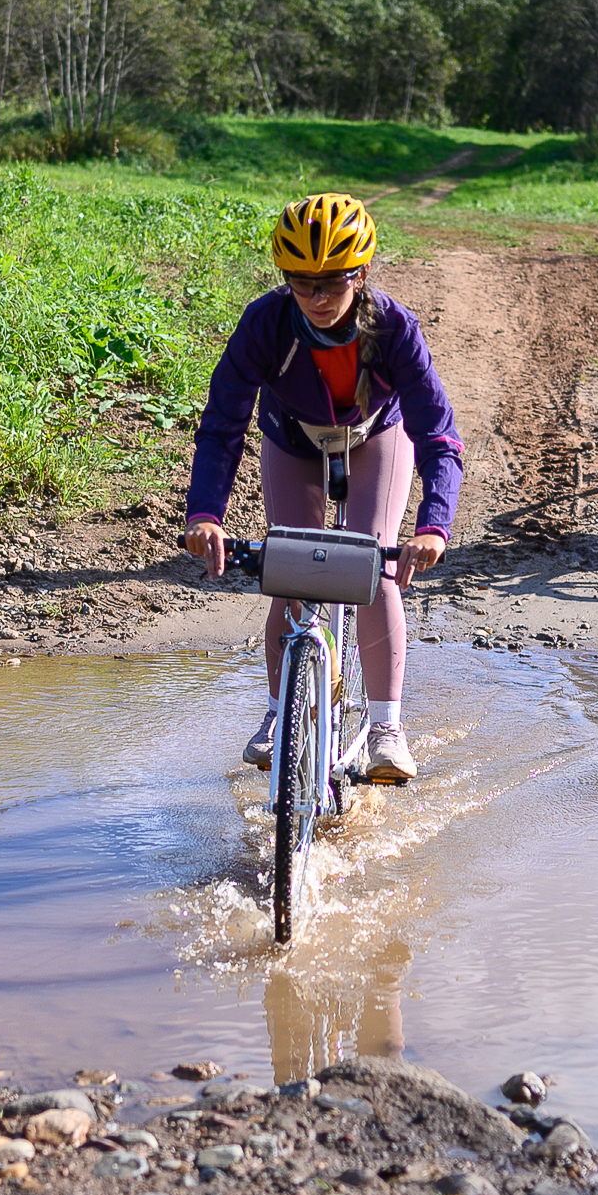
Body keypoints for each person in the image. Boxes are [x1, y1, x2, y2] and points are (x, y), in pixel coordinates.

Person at [183, 194, 463, 784]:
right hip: (293, 442)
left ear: (360, 275)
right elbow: (222, 425)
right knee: (293, 568)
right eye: (302, 282)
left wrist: (433, 526)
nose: (316, 297)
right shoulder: (266, 323)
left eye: (332, 282)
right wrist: (206, 512)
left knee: (372, 561)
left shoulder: (393, 328)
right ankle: (282, 710)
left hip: (374, 437)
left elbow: (438, 435)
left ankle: (387, 725)